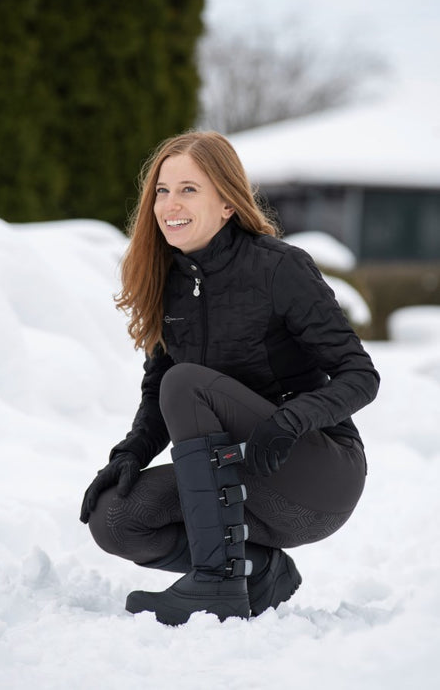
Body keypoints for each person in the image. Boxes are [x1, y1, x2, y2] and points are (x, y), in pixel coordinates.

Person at [80, 130, 380, 626]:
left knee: (186, 383)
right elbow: (158, 394)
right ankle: (257, 570)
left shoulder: (279, 268)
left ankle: (217, 581)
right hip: (236, 477)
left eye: (189, 189)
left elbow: (360, 375)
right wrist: (130, 453)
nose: (170, 204)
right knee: (116, 519)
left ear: (226, 203)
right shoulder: (167, 281)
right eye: (162, 190)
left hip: (314, 473)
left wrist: (290, 420)